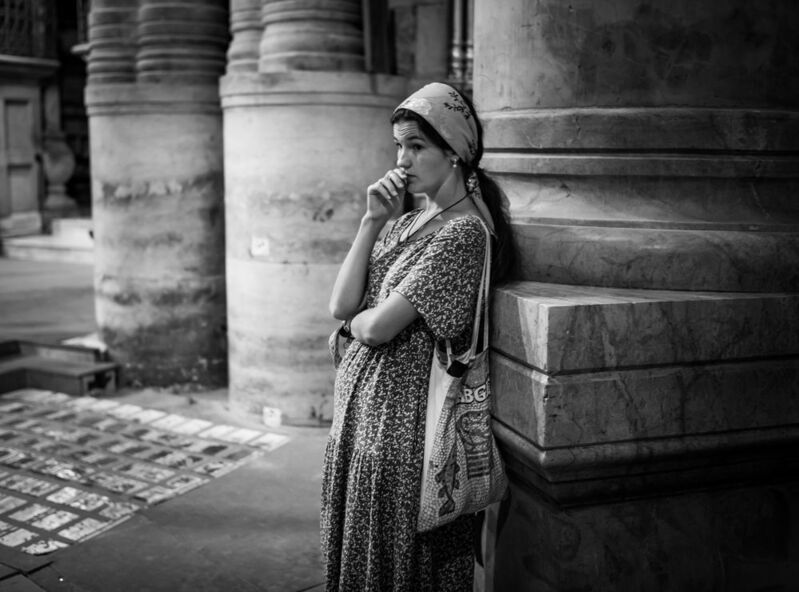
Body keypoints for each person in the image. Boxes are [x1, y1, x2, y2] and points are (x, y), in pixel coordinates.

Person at [321, 82, 517, 592]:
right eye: (397, 147)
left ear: (454, 152)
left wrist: (359, 325)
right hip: (365, 423)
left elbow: (375, 325)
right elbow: (341, 306)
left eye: (416, 146)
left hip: (403, 434)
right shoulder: (405, 222)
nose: (402, 160)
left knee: (394, 571)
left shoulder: (463, 234)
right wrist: (370, 222)